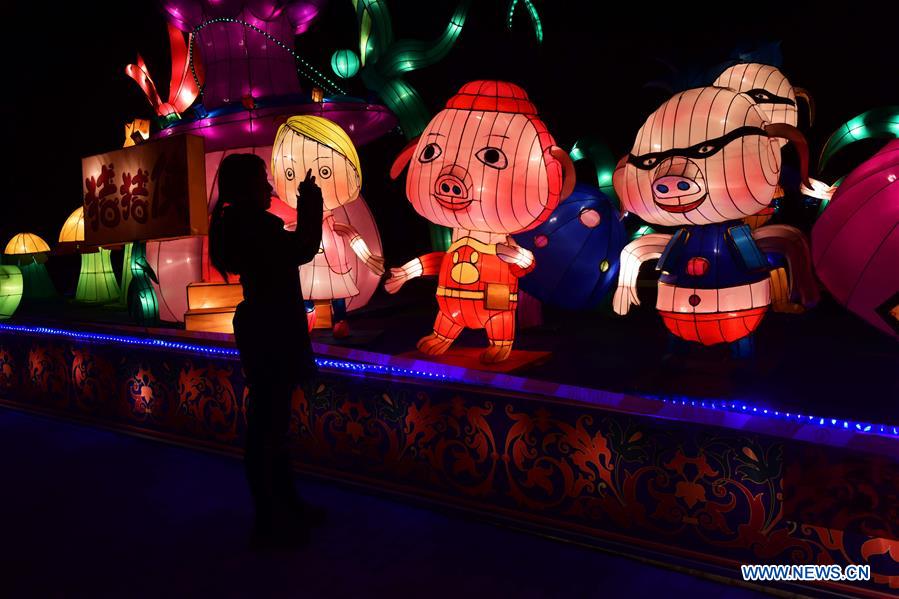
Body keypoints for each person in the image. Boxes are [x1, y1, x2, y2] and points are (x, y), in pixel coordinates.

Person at [208, 153, 324, 546]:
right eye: (262, 180)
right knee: (269, 426)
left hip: (259, 325)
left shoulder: (232, 225)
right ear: (246, 187)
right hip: (273, 327)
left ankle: (281, 506)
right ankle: (271, 516)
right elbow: (304, 247)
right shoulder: (256, 227)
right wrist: (310, 202)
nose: (269, 188)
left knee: (269, 422)